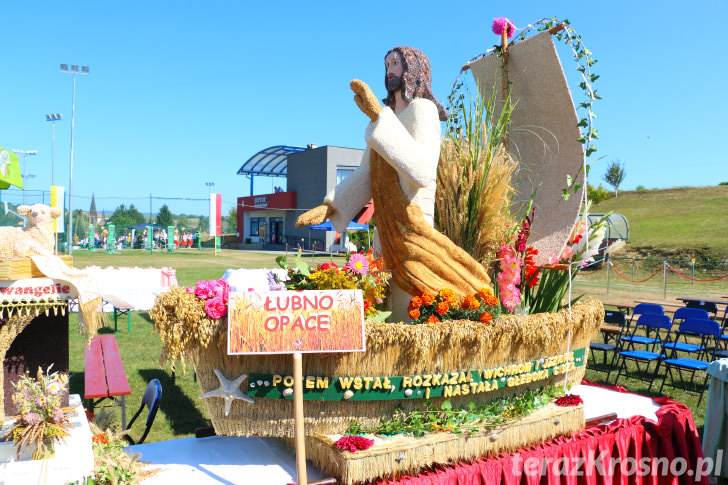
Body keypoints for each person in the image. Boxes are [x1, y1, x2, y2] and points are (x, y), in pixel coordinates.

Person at [296, 47, 491, 321]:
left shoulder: (423, 110)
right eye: (387, 63)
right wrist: (331, 206)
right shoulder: (384, 118)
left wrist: (381, 120)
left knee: (408, 303)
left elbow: (422, 170)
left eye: (396, 63)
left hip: (413, 226)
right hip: (384, 230)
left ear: (414, 69)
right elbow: (366, 175)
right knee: (385, 308)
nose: (390, 69)